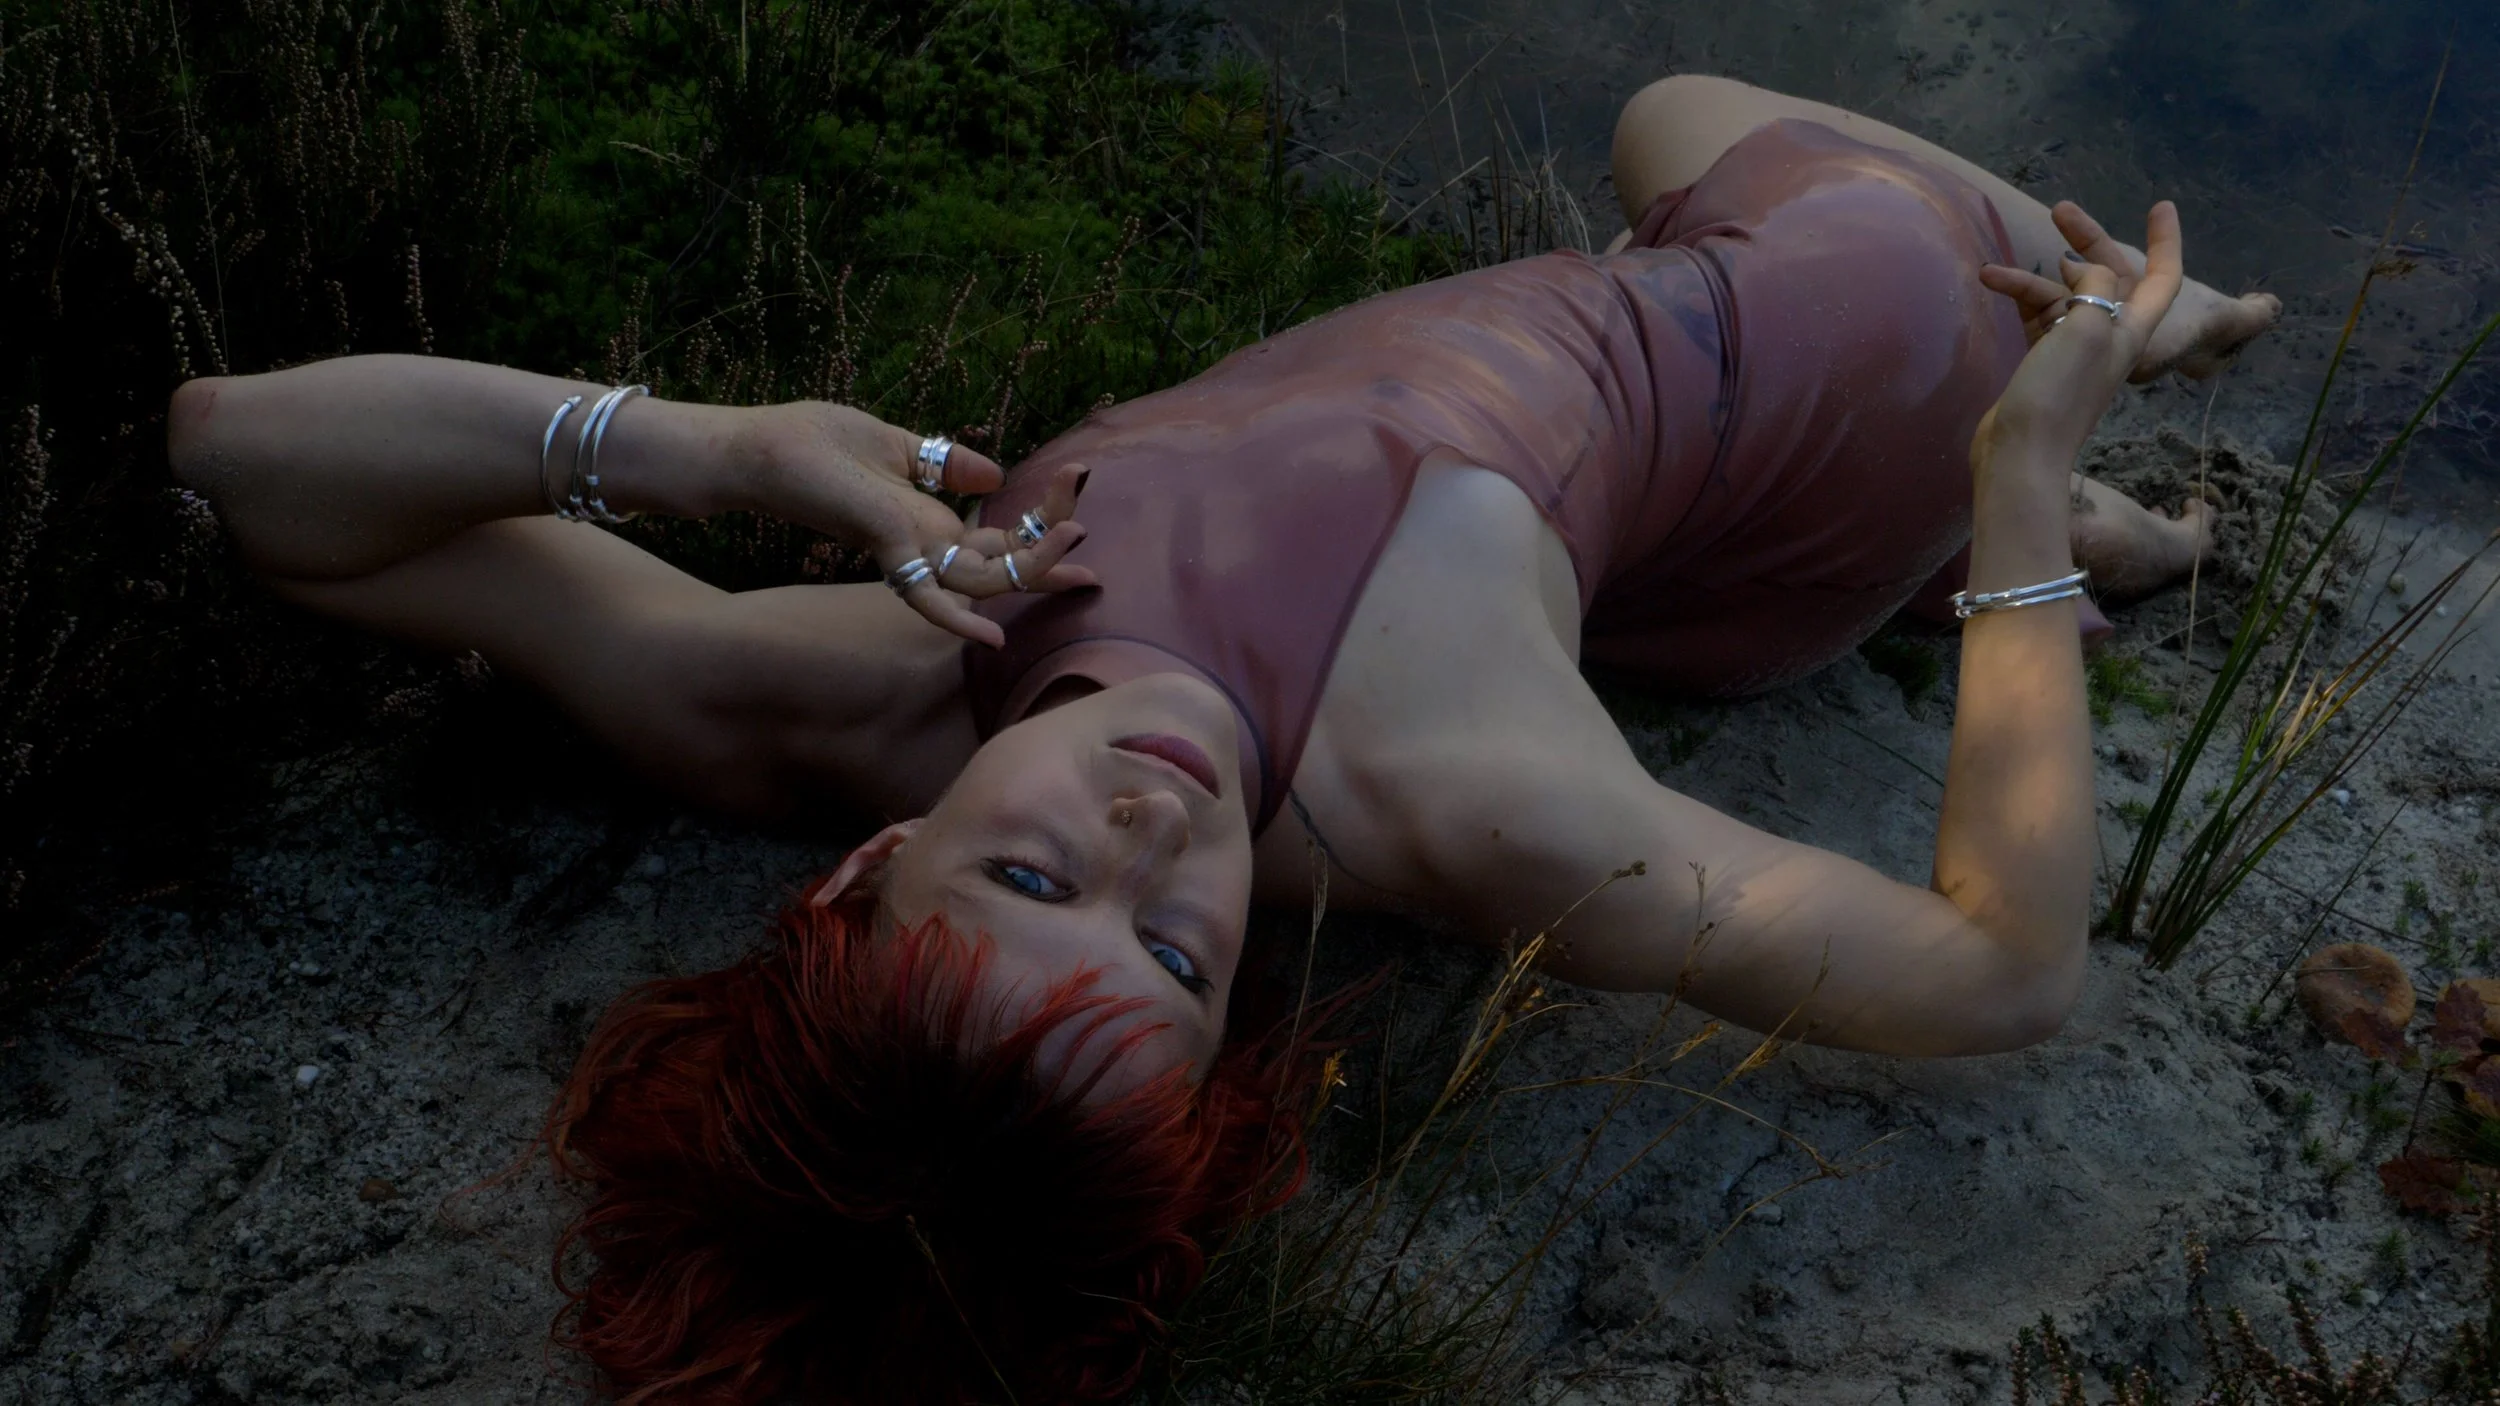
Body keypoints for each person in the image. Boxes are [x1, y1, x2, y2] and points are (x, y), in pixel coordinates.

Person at [168, 75, 2274, 1406]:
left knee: (1666, 160)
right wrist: (2011, 481)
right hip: (1839, 375)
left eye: (1027, 875)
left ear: (861, 870)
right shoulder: (1464, 795)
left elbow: (243, 463)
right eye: (1179, 957)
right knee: (1699, 130)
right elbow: (2001, 968)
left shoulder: (849, 697)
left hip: (1677, 551)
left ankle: (2080, 516)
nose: (1149, 834)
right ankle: (2069, 497)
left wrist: (707, 448)